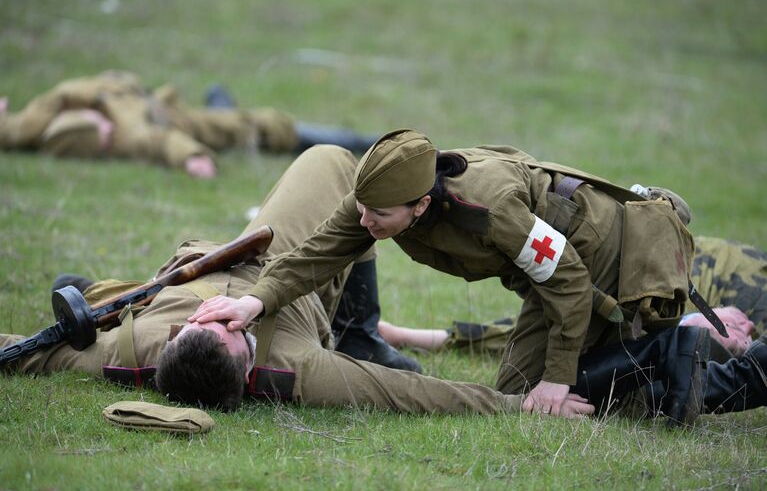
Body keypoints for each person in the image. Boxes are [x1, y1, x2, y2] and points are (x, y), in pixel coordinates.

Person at [0, 144, 594, 416]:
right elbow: (409, 394)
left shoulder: (124, 348)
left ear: (182, 332)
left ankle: (367, 328)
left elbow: (20, 355)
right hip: (292, 273)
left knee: (333, 161)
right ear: (251, 362)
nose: (217, 320)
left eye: (202, 323)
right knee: (338, 173)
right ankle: (358, 330)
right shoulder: (296, 370)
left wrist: (247, 300)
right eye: (240, 335)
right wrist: (521, 405)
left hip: (222, 255)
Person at [186, 128, 709, 421]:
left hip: (598, 257)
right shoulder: (379, 195)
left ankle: (670, 355)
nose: (365, 222)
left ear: (419, 206)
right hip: (547, 273)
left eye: (378, 217)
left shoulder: (494, 209)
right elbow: (319, 251)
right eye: (362, 210)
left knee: (536, 394)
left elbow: (567, 280)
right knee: (521, 392)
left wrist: (557, 377)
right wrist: (255, 301)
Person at [378, 235, 766, 360]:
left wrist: (690, 328)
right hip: (688, 270)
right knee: (581, 317)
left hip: (692, 283)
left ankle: (418, 337)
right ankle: (417, 336)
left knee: (582, 327)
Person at [0, 71, 379, 179]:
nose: (107, 137)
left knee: (228, 115)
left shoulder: (41, 117)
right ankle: (369, 143)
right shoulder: (125, 133)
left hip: (177, 111)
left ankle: (220, 101)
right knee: (268, 127)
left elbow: (10, 131)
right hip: (188, 123)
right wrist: (193, 157)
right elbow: (161, 140)